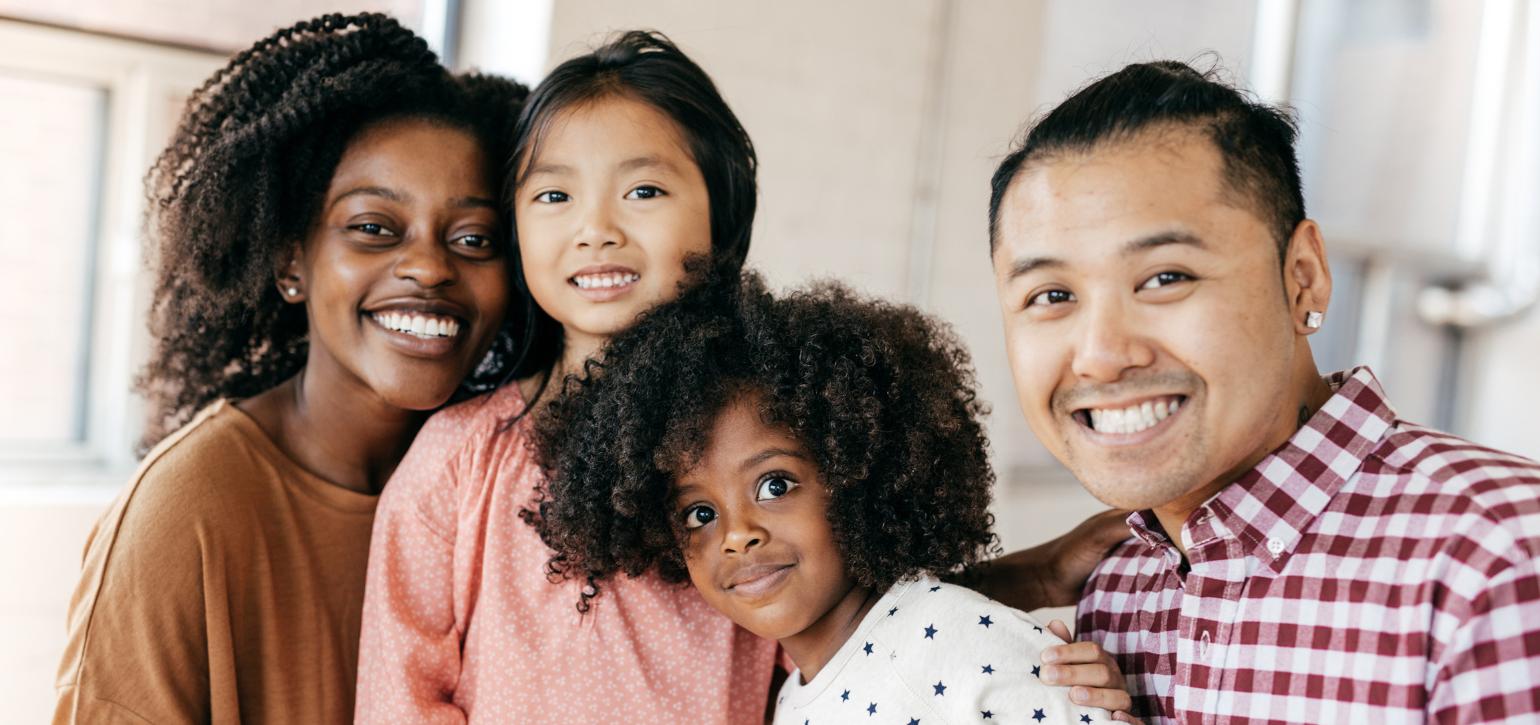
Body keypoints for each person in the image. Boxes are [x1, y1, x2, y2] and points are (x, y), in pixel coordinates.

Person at [357, 30, 1133, 723]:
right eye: (554, 195)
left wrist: (1030, 644)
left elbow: (869, 629)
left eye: (644, 191)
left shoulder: (774, 430)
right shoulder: (459, 465)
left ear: (721, 220)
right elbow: (400, 697)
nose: (596, 229)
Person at [987, 59, 1540, 723]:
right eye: (1052, 295)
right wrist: (1021, 582)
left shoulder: (1499, 560)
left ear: (1303, 278)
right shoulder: (1113, 591)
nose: (1102, 356)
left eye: (1165, 278)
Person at [53, 14, 527, 723]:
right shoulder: (185, 516)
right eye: (373, 227)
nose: (430, 266)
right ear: (290, 262)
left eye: (473, 237)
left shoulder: (509, 491)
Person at [533, 268, 1121, 724]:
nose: (737, 535)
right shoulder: (795, 700)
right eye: (700, 513)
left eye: (774, 485)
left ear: (861, 472)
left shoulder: (960, 637)